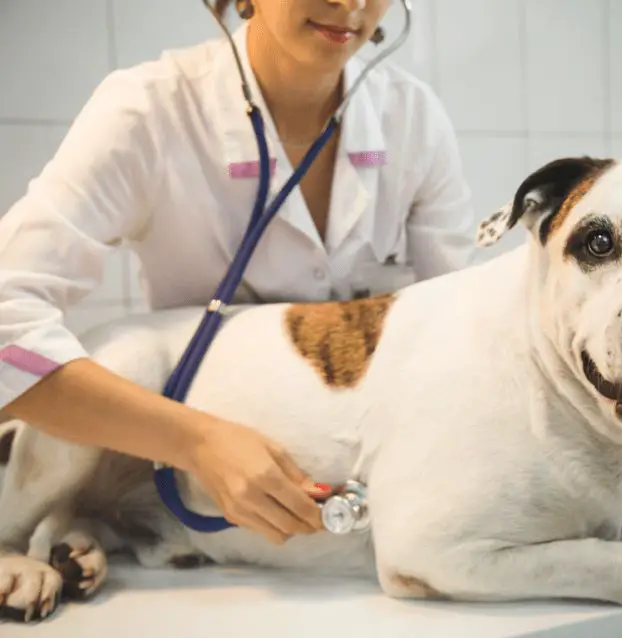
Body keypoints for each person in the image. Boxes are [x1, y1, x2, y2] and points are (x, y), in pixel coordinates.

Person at [0, 0, 475, 545]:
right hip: (182, 488)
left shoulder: (413, 119)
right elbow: (6, 323)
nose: (351, 4)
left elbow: (457, 331)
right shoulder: (150, 111)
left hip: (360, 502)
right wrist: (195, 442)